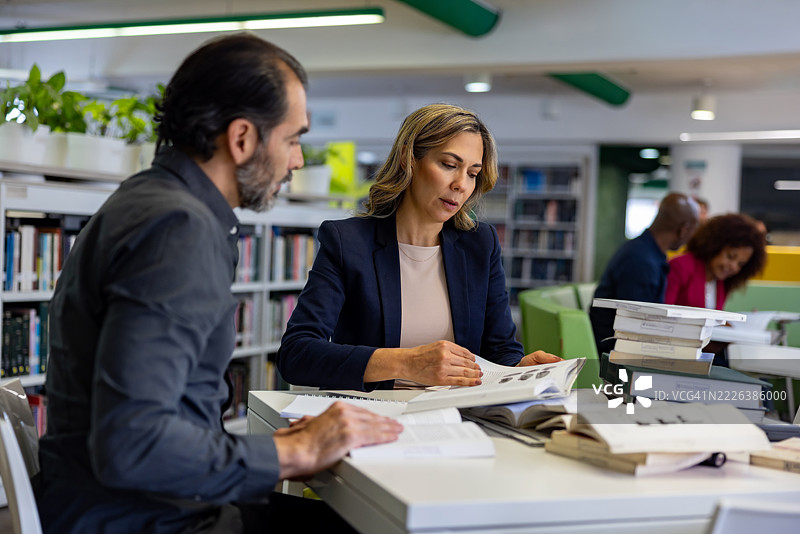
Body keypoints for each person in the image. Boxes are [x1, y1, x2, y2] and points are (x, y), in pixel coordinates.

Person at [38, 33, 403, 534]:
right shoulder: (178, 231)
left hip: (121, 501)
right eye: (294, 138)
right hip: (148, 515)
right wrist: (295, 450)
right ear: (242, 139)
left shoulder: (147, 198)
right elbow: (134, 443)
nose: (298, 161)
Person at [276, 103, 560, 391]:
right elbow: (297, 355)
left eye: (473, 173)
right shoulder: (347, 242)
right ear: (408, 159)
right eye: (449, 165)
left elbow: (500, 350)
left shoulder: (480, 244)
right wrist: (407, 363)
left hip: (457, 418)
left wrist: (517, 369)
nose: (461, 184)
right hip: (371, 419)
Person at [589, 192, 700, 355]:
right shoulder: (642, 262)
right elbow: (638, 328)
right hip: (614, 354)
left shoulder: (642, 251)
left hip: (616, 346)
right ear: (683, 230)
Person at [665, 213, 767, 310]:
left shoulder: (720, 281)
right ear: (715, 245)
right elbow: (662, 314)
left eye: (740, 264)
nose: (734, 267)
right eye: (730, 256)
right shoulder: (681, 266)